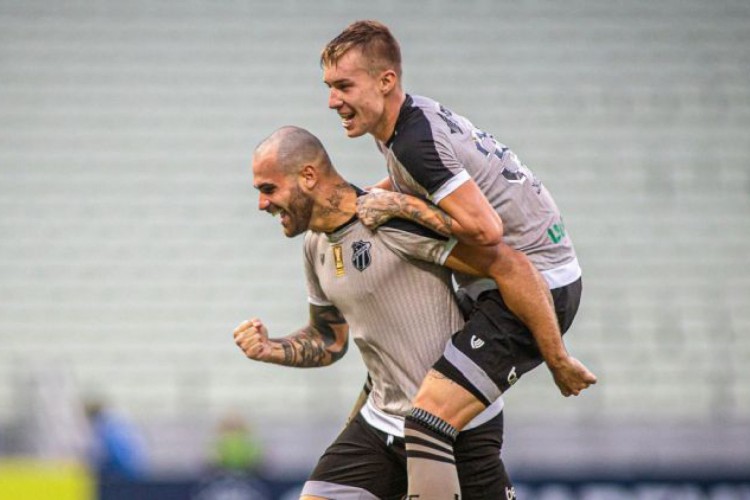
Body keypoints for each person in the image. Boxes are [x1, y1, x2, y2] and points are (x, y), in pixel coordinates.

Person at [321, 20, 598, 497]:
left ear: (386, 81)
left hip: (535, 289)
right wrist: (365, 197)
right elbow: (425, 183)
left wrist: (557, 358)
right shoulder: (408, 122)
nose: (332, 101)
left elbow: (488, 233)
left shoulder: (413, 140)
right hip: (523, 284)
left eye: (344, 85)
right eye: (328, 88)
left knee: (426, 422)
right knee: (443, 425)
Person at [235, 126, 520, 499]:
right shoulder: (314, 245)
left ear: (307, 176)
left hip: (452, 424)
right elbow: (329, 339)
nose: (262, 204)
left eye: (268, 189)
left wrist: (557, 356)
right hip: (381, 422)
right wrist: (271, 348)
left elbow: (505, 266)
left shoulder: (389, 218)